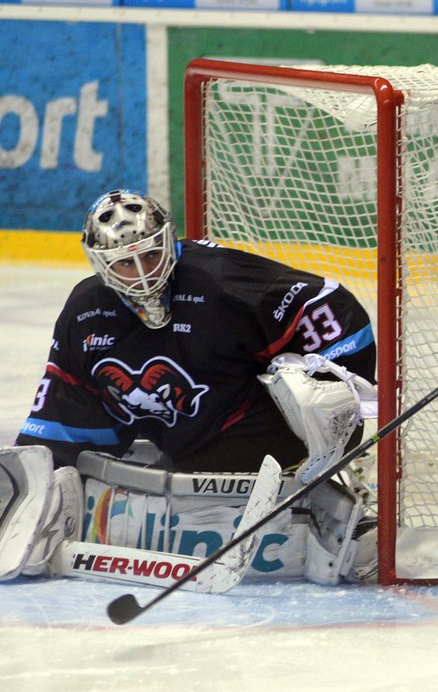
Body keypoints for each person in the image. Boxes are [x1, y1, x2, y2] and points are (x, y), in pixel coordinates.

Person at [1, 189, 379, 585]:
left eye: (150, 254)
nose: (143, 271)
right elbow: (64, 408)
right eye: (125, 263)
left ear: (169, 241)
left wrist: (337, 404)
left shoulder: (220, 282)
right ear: (101, 264)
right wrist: (29, 493)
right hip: (183, 452)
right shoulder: (86, 313)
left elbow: (331, 306)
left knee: (300, 393)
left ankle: (338, 503)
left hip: (263, 436)